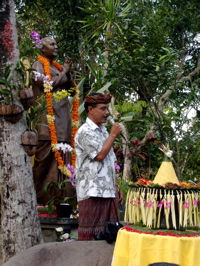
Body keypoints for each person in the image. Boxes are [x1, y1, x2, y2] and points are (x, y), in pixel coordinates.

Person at [32, 37, 75, 205]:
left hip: (63, 121)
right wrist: (64, 73)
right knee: (43, 163)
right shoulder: (38, 65)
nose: (56, 46)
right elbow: (45, 86)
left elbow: (71, 90)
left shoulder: (57, 68)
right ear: (42, 49)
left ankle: (62, 202)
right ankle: (40, 202)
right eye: (52, 44)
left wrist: (66, 73)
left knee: (63, 163)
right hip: (46, 123)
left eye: (57, 43)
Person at [75, 92, 123, 240]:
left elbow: (109, 162)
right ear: (90, 109)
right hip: (92, 192)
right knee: (91, 237)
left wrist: (116, 186)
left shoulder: (103, 130)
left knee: (110, 235)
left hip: (108, 192)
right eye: (103, 108)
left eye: (107, 108)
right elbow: (100, 156)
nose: (106, 113)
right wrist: (113, 135)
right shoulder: (85, 131)